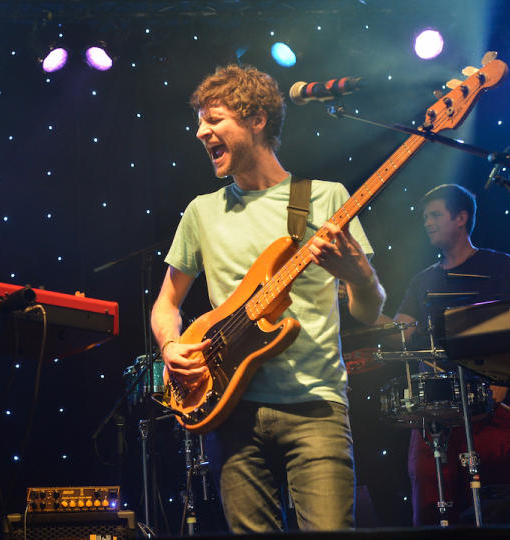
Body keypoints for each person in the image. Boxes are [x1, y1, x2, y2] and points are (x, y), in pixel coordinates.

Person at [150, 64, 385, 533]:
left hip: (315, 407)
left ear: (256, 119)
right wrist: (171, 347)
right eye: (199, 123)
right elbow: (166, 304)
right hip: (228, 410)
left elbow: (368, 310)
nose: (201, 133)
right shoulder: (202, 211)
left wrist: (360, 276)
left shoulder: (325, 198)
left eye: (214, 120)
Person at [387, 184, 510, 525]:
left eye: (435, 215)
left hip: (492, 410)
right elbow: (397, 332)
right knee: (431, 513)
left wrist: (504, 380)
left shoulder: (500, 267)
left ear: (461, 218)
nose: (427, 223)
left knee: (494, 512)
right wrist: (359, 297)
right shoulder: (422, 281)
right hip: (434, 417)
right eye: (424, 217)